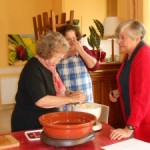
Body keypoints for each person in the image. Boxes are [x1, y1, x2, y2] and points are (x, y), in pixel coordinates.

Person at [11, 32, 86, 132]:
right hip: (29, 123)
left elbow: (57, 89)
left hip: (46, 121)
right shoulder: (33, 68)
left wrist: (72, 93)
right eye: (58, 56)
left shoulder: (51, 67)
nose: (60, 60)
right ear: (48, 51)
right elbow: (41, 100)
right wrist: (71, 99)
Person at [109, 20, 150, 142]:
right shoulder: (130, 54)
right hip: (136, 121)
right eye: (118, 37)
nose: (118, 41)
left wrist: (129, 128)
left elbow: (143, 96)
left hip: (145, 124)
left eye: (122, 38)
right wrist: (119, 91)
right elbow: (131, 80)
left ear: (137, 38)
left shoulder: (144, 57)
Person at [57, 25, 99, 104]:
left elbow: (94, 67)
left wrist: (81, 50)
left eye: (74, 38)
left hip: (84, 97)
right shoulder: (58, 53)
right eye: (68, 39)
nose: (72, 42)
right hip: (66, 98)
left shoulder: (83, 49)